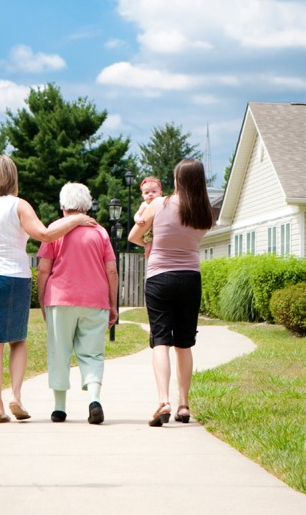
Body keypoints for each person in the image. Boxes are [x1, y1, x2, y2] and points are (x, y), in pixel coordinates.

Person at [0, 154, 96, 425]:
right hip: (14, 277)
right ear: (13, 177)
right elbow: (45, 234)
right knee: (17, 340)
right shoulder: (19, 206)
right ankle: (15, 396)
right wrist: (77, 220)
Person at [128, 159, 214, 427]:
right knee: (184, 343)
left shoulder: (159, 204)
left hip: (159, 277)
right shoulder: (204, 212)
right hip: (190, 278)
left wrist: (150, 240)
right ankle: (184, 404)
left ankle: (163, 400)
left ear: (178, 180)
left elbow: (133, 236)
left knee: (161, 340)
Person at [36, 182, 118, 425]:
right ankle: (94, 400)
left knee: (59, 351)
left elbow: (43, 270)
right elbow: (111, 271)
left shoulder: (53, 231)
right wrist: (113, 305)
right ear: (86, 206)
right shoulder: (100, 232)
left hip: (60, 299)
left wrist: (42, 300)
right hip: (95, 300)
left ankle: (59, 408)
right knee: (92, 353)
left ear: (63, 206)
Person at [133, 177, 163, 259]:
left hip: (160, 231)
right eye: (146, 193)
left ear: (160, 193)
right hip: (148, 233)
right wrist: (138, 219)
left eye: (154, 192)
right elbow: (137, 214)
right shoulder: (145, 205)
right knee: (148, 248)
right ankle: (149, 259)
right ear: (142, 195)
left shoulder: (162, 203)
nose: (150, 194)